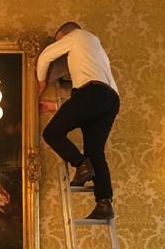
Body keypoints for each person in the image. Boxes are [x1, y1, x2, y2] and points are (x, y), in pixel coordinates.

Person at [36, 21, 119, 220]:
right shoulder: (95, 47)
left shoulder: (78, 36)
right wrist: (55, 107)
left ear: (66, 35)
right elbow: (88, 105)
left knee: (51, 133)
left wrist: (40, 84)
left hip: (92, 94)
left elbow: (46, 56)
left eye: (60, 42)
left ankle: (81, 164)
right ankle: (104, 202)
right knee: (95, 151)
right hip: (110, 99)